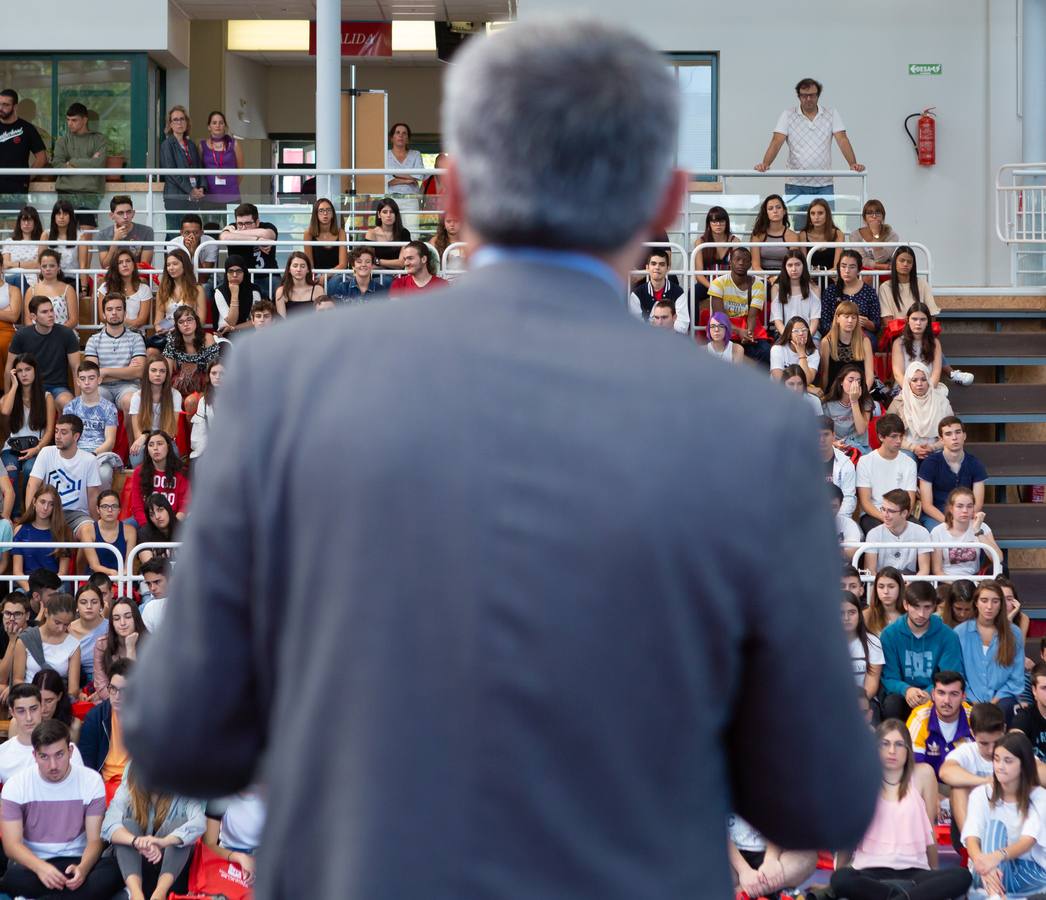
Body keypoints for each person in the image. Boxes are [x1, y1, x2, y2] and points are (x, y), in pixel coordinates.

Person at [124, 21, 880, 900]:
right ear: (669, 202)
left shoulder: (283, 381)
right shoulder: (757, 428)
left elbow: (180, 736)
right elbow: (825, 794)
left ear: (448, 194)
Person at [830, 719, 971, 900]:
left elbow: (929, 831)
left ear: (908, 750)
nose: (891, 751)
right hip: (869, 871)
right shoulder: (861, 779)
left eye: (898, 745)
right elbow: (850, 835)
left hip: (915, 872)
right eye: (885, 744)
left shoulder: (923, 774)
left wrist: (934, 873)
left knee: (962, 876)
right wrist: (837, 874)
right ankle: (903, 898)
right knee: (841, 879)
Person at [0, 718, 121, 898]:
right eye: (44, 757)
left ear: (70, 751)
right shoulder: (16, 785)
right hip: (34, 864)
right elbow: (11, 845)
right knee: (13, 877)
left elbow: (95, 840)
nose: (53, 765)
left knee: (113, 871)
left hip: (77, 860)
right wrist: (41, 869)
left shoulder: (91, 780)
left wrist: (83, 869)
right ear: (34, 755)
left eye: (59, 754)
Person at [102, 764, 206, 900]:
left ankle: (159, 894)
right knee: (127, 825)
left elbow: (200, 822)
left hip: (169, 867)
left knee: (179, 826)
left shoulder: (182, 787)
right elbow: (108, 824)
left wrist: (164, 842)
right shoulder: (130, 784)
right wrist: (136, 841)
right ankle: (136, 894)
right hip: (135, 862)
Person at [962, 731, 1046, 897]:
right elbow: (971, 836)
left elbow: (1027, 841)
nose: (999, 766)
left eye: (1008, 761)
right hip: (986, 872)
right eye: (997, 759)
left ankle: (995, 895)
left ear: (1024, 765)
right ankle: (995, 894)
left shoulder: (1040, 796)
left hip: (1030, 873)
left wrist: (997, 856)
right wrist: (983, 863)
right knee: (995, 827)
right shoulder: (980, 794)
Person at [754, 77, 864, 202]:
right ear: (799, 96)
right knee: (798, 222)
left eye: (812, 95)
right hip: (795, 183)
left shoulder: (831, 113)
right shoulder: (788, 114)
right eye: (804, 96)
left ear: (818, 96)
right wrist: (765, 164)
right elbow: (776, 142)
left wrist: (852, 164)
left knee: (825, 222)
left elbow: (842, 140)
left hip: (824, 183)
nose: (808, 99)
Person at [880, 582, 963, 722]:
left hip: (937, 693)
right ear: (906, 605)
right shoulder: (889, 634)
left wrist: (931, 692)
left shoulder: (948, 636)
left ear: (934, 607)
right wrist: (906, 690)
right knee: (892, 703)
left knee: (949, 700)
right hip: (902, 695)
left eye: (927, 607)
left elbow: (951, 675)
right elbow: (889, 677)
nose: (921, 614)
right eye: (916, 607)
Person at [953, 582, 1023, 724]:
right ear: (976, 603)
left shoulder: (1014, 633)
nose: (989, 607)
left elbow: (1016, 677)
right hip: (967, 698)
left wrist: (995, 701)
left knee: (1001, 712)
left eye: (995, 601)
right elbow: (957, 673)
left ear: (1001, 604)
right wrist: (973, 700)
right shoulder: (960, 633)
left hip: (1003, 699)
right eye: (984, 600)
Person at [24, 414, 102, 536]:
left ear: (76, 436)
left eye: (63, 432)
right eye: (56, 431)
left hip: (77, 514)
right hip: (49, 510)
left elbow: (93, 496)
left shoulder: (89, 460)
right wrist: (30, 515)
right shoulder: (46, 452)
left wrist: (97, 526)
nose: (58, 436)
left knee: (89, 531)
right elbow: (32, 485)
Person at [939, 701, 1007, 834]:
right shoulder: (967, 751)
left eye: (997, 742)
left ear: (1004, 729)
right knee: (959, 787)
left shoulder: (1014, 750)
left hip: (1007, 818)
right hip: (973, 822)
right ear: (972, 733)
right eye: (984, 743)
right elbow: (945, 772)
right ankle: (971, 843)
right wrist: (986, 781)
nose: (991, 750)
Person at [1, 353, 55, 515]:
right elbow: (4, 410)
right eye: (19, 371)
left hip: (35, 447)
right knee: (10, 470)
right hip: (10, 448)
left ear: (35, 371)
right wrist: (14, 386)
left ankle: (28, 512)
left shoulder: (46, 397)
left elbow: (50, 431)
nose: (24, 374)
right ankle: (15, 515)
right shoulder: (9, 397)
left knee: (31, 469)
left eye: (27, 369)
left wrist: (37, 449)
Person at [6, 295, 80, 411]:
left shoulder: (66, 334)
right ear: (33, 316)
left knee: (69, 405)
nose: (50, 315)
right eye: (44, 312)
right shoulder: (22, 335)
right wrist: (7, 395)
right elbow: (9, 368)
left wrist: (79, 400)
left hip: (58, 387)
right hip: (30, 386)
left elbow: (76, 368)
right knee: (5, 405)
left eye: (51, 310)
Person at [0, 683, 85, 780]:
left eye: (33, 709)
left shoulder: (68, 750)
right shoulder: (2, 753)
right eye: (21, 711)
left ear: (41, 707)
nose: (29, 718)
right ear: (12, 712)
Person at [83, 292, 147, 418]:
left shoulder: (136, 338)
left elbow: (139, 372)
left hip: (128, 387)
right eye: (109, 309)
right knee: (95, 399)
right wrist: (127, 372)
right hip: (101, 388)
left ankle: (132, 439)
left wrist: (105, 371)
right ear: (103, 314)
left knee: (131, 401)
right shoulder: (93, 340)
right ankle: (100, 439)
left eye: (118, 309)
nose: (114, 313)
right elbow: (92, 376)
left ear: (125, 313)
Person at [918, 417, 987, 529]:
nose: (954, 438)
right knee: (942, 535)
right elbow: (927, 505)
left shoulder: (975, 463)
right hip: (936, 516)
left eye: (958, 432)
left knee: (980, 533)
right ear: (941, 439)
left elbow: (978, 503)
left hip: (965, 514)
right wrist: (949, 522)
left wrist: (962, 519)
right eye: (948, 434)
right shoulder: (930, 463)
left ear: (964, 436)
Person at [707, 246, 770, 364]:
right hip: (725, 330)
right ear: (730, 262)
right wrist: (738, 331)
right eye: (737, 259)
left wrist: (748, 333)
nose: (741, 263)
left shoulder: (758, 284)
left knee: (766, 351)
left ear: (750, 264)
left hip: (746, 329)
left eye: (745, 260)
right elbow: (719, 316)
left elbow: (752, 316)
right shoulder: (718, 283)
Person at [855, 414, 918, 534]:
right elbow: (866, 502)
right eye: (894, 436)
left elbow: (910, 500)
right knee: (879, 535)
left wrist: (897, 518)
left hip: (901, 514)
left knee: (920, 534)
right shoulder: (865, 461)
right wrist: (885, 518)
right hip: (874, 515)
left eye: (901, 436)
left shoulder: (909, 463)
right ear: (881, 437)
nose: (899, 441)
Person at [727, 814, 816, 898]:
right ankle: (766, 889)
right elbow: (717, 830)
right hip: (733, 858)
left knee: (807, 858)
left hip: (772, 852)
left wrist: (771, 859)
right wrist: (743, 870)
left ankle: (740, 892)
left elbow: (778, 818)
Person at [63, 361, 121, 490]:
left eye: (91, 378)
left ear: (99, 380)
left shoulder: (109, 408)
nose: (87, 382)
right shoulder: (70, 408)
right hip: (75, 454)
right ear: (77, 381)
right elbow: (66, 438)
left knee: (104, 474)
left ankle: (101, 508)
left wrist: (92, 455)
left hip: (99, 455)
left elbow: (110, 441)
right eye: (82, 379)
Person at [78, 658, 132, 794]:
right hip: (104, 785)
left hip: (136, 785)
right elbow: (87, 764)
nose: (117, 696)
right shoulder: (96, 717)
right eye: (113, 689)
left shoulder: (147, 717)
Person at [12, 591, 81, 696]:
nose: (61, 628)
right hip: (28, 699)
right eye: (57, 622)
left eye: (66, 624)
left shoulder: (73, 644)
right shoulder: (25, 639)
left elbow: (73, 689)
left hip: (57, 701)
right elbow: (17, 680)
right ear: (46, 613)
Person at [906, 670, 973, 777]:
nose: (946, 700)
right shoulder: (919, 717)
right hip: (929, 786)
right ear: (932, 694)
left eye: (954, 694)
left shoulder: (974, 718)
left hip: (965, 785)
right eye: (941, 693)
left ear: (963, 697)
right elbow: (913, 768)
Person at [51, 101, 107, 228]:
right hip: (66, 192)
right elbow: (57, 165)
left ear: (85, 120)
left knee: (86, 233)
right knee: (64, 232)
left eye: (74, 120)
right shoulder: (62, 141)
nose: (70, 123)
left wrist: (72, 162)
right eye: (68, 120)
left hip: (90, 193)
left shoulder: (99, 139)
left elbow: (98, 163)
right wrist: (89, 162)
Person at [930, 487, 1003, 581]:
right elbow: (937, 571)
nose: (965, 510)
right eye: (959, 506)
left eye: (969, 506)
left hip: (974, 578)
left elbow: (998, 559)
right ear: (951, 509)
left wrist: (977, 531)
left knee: (1002, 569)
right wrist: (956, 585)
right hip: (947, 580)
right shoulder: (938, 531)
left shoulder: (981, 526)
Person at [888, 362, 954, 461]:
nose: (919, 384)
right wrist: (913, 447)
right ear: (908, 382)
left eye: (923, 379)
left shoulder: (941, 401)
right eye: (914, 380)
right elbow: (887, 432)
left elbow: (951, 430)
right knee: (906, 460)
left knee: (935, 461)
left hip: (935, 447)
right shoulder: (899, 402)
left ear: (929, 381)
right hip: (906, 447)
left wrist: (933, 447)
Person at [202, 789, 265, 889]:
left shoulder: (272, 794)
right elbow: (209, 844)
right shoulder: (219, 796)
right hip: (227, 854)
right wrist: (240, 857)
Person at [162, 304, 219, 411]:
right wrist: (166, 392)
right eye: (181, 322)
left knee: (191, 402)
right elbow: (167, 371)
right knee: (168, 399)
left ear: (196, 322)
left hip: (203, 385)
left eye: (189, 319)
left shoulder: (207, 339)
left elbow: (213, 370)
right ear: (177, 326)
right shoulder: (172, 340)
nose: (186, 324)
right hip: (180, 384)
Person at [127, 432, 190, 528]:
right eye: (151, 445)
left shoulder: (181, 472)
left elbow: (184, 505)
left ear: (168, 446)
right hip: (148, 521)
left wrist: (173, 526)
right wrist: (148, 527)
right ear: (147, 450)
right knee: (125, 527)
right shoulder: (139, 472)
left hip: (174, 521)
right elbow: (137, 506)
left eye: (160, 444)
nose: (155, 448)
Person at [158, 105, 204, 235]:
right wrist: (190, 190)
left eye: (182, 119)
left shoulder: (190, 144)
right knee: (174, 234)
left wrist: (201, 188)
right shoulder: (167, 145)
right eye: (175, 120)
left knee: (191, 234)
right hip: (175, 197)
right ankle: (171, 256)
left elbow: (199, 168)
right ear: (170, 124)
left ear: (187, 122)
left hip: (192, 198)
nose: (179, 123)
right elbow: (171, 173)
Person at [863, 488, 932, 575]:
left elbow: (924, 570)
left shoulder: (922, 532)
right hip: (883, 582)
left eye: (890, 511)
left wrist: (911, 583)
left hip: (910, 581)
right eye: (883, 509)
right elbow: (870, 571)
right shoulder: (873, 534)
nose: (885, 515)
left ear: (904, 513)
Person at [12, 488, 70, 590]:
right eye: (42, 502)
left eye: (51, 504)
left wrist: (48, 592)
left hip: (55, 586)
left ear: (55, 507)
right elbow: (17, 572)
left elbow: (63, 572)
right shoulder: (20, 530)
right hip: (27, 586)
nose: (45, 507)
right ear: (34, 502)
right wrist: (32, 592)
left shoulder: (63, 532)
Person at [127, 358, 181, 466]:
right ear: (147, 373)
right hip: (144, 441)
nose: (158, 374)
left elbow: (170, 430)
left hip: (165, 440)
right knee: (137, 458)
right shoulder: (137, 397)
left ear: (167, 374)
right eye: (153, 370)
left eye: (162, 371)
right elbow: (138, 433)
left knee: (173, 456)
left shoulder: (175, 395)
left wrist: (152, 439)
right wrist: (145, 438)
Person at [0, 89, 46, 207]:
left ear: (15, 107)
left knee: (15, 223)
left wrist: (26, 177)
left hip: (17, 188)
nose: (1, 108)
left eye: (5, 105)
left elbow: (41, 158)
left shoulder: (27, 128)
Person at [93, 599, 146, 703]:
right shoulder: (102, 644)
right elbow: (101, 685)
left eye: (128, 617)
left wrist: (131, 649)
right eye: (116, 619)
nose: (122, 623)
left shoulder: (150, 644)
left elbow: (139, 684)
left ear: (136, 618)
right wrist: (117, 701)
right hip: (112, 701)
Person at [821, 249, 881, 338]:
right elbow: (825, 324)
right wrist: (843, 324)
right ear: (839, 268)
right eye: (843, 266)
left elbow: (876, 324)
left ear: (859, 269)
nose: (847, 271)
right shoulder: (831, 291)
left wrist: (867, 323)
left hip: (862, 333)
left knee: (869, 341)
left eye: (852, 267)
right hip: (836, 333)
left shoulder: (869, 292)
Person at [76, 488, 135, 578]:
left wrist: (121, 576)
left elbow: (128, 565)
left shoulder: (130, 531)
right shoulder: (87, 530)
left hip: (121, 579)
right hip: (96, 580)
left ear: (119, 509)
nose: (110, 510)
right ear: (98, 509)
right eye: (105, 506)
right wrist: (113, 573)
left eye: (114, 506)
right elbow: (94, 565)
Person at [628, 247, 688, 333]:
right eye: (653, 263)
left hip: (671, 340)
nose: (657, 267)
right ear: (647, 268)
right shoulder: (637, 294)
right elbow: (636, 325)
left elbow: (683, 325)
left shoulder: (678, 292)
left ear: (668, 268)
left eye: (662, 264)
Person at [818, 300, 875, 391]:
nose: (850, 321)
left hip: (859, 391)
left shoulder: (864, 341)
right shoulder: (827, 342)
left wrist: (863, 393)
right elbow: (824, 375)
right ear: (837, 318)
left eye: (853, 317)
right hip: (835, 393)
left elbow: (870, 375)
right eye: (846, 317)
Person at [218, 203, 279, 287]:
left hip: (267, 277)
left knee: (281, 288)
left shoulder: (267, 226)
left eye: (248, 223)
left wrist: (236, 233)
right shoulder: (232, 227)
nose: (243, 227)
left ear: (257, 222)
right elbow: (224, 238)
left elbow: (266, 234)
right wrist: (256, 240)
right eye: (240, 224)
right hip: (238, 278)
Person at [879, 245, 940, 324]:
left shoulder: (922, 284)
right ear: (895, 263)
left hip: (920, 330)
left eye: (909, 261)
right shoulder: (886, 287)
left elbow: (932, 314)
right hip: (896, 333)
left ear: (913, 265)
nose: (905, 264)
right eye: (902, 260)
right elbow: (887, 321)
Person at [96, 250, 153, 333]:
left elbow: (141, 321)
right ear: (115, 266)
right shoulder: (105, 287)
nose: (125, 265)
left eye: (128, 261)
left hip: (135, 333)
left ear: (134, 264)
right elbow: (102, 317)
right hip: (109, 332)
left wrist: (119, 322)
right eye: (120, 262)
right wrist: (124, 324)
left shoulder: (144, 289)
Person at [691, 206, 738, 304]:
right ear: (709, 224)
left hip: (729, 285)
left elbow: (738, 269)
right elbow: (698, 274)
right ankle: (693, 320)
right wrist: (713, 288)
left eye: (721, 221)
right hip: (707, 285)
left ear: (726, 223)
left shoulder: (735, 241)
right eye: (714, 221)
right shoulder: (700, 242)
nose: (718, 224)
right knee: (692, 293)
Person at [154, 248, 206, 335]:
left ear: (184, 265)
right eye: (168, 265)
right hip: (168, 333)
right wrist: (160, 329)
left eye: (175, 264)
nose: (171, 268)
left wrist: (180, 329)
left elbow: (201, 320)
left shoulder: (197, 289)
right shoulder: (162, 289)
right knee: (151, 349)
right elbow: (157, 321)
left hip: (190, 333)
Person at [822, 363, 873, 453]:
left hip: (859, 446)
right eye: (850, 380)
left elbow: (861, 430)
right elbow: (824, 432)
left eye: (858, 381)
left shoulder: (865, 401)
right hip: (837, 446)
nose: (855, 384)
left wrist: (854, 401)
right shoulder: (828, 405)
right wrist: (833, 443)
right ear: (841, 382)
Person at [890, 303, 943, 388]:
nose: (918, 323)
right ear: (907, 320)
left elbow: (936, 373)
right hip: (903, 388)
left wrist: (928, 391)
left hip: (929, 388)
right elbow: (898, 374)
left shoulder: (935, 343)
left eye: (923, 319)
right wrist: (912, 392)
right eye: (914, 319)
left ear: (928, 322)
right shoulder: (898, 343)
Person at [769, 249, 820, 338]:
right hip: (784, 334)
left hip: (809, 335)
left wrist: (806, 339)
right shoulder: (777, 288)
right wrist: (789, 337)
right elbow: (777, 320)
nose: (794, 269)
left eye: (797, 264)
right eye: (790, 265)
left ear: (803, 266)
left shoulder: (814, 289)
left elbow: (815, 320)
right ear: (785, 267)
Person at [23, 249, 77, 331]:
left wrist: (55, 334)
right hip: (37, 337)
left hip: (62, 335)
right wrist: (39, 334)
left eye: (52, 266)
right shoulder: (31, 290)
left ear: (58, 267)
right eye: (44, 266)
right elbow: (28, 319)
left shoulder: (68, 289)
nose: (48, 269)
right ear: (40, 268)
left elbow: (73, 320)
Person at [843, 591, 884, 701]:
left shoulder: (873, 641)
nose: (846, 618)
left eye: (852, 612)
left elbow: (872, 683)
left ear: (860, 615)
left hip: (865, 701)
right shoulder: (825, 643)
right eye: (841, 613)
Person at [96, 195, 155, 269]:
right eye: (120, 213)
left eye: (128, 212)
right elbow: (105, 266)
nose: (125, 217)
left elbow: (144, 266)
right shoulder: (102, 234)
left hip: (137, 277)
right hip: (114, 278)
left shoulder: (147, 231)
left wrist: (121, 268)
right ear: (112, 216)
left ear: (133, 213)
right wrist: (115, 241)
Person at [68, 584, 108, 692]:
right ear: (76, 606)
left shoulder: (111, 628)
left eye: (94, 602)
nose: (89, 606)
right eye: (83, 602)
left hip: (106, 680)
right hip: (74, 681)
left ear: (101, 605)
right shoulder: (67, 629)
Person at [199, 111, 243, 208]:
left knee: (232, 224)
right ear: (209, 127)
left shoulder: (234, 144)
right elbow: (200, 170)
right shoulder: (202, 145)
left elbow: (241, 171)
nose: (217, 125)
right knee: (210, 224)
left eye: (221, 123)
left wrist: (231, 185)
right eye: (214, 123)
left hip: (231, 196)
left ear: (225, 126)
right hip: (209, 196)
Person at [749, 194, 797, 279]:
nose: (775, 211)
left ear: (784, 211)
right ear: (766, 213)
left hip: (786, 277)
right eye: (770, 208)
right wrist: (769, 279)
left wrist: (779, 280)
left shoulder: (792, 236)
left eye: (778, 207)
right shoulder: (758, 235)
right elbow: (755, 266)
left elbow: (794, 265)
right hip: (762, 277)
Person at [47, 199, 89, 295]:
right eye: (58, 214)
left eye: (65, 214)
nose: (61, 217)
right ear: (54, 217)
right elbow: (39, 263)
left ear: (71, 216)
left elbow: (83, 266)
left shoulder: (80, 236)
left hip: (73, 281)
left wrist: (84, 288)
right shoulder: (46, 235)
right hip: (51, 280)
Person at [212, 254, 262, 334]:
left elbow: (256, 321)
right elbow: (231, 322)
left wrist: (234, 328)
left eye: (238, 271)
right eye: (231, 271)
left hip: (247, 332)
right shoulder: (219, 292)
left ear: (244, 272)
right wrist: (234, 294)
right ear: (226, 274)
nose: (235, 275)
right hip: (224, 334)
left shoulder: (254, 291)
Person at [849, 199, 901, 272]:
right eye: (870, 213)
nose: (874, 216)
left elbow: (881, 259)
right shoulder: (855, 235)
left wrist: (876, 234)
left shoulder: (892, 235)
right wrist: (881, 266)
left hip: (886, 272)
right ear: (864, 218)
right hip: (865, 271)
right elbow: (861, 260)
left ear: (883, 217)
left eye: (878, 213)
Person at [302, 198, 347, 281]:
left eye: (328, 210)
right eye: (321, 210)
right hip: (317, 275)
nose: (325, 213)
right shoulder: (308, 234)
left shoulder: (341, 233)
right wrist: (316, 278)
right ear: (316, 214)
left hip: (337, 275)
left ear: (333, 214)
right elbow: (310, 264)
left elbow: (343, 264)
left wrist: (326, 276)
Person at [167, 213, 219, 284]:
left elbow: (203, 278)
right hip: (181, 280)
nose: (191, 236)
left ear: (201, 233)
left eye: (195, 232)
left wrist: (195, 252)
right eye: (187, 232)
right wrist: (188, 252)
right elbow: (176, 274)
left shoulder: (211, 243)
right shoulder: (173, 244)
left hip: (205, 281)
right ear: (181, 233)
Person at [385, 122, 424, 214]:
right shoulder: (385, 155)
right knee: (392, 228)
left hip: (411, 200)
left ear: (408, 139)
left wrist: (395, 175)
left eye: (404, 133)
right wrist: (408, 180)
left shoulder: (416, 154)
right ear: (392, 138)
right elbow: (387, 180)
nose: (401, 135)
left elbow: (419, 176)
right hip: (391, 200)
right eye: (397, 132)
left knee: (411, 228)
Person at [798, 197, 845, 273]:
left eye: (820, 213)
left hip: (831, 277)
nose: (816, 217)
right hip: (810, 278)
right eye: (812, 213)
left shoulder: (838, 234)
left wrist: (823, 274)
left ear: (827, 215)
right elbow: (804, 264)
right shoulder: (803, 235)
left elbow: (837, 267)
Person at [190, 356, 224, 461]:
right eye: (214, 373)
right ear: (209, 376)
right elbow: (199, 434)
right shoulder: (203, 401)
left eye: (222, 374)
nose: (217, 377)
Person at [3, 204, 43, 290]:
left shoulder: (40, 242)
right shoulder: (9, 241)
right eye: (23, 220)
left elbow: (38, 264)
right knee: (18, 278)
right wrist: (28, 265)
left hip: (32, 283)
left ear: (35, 222)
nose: (26, 223)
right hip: (11, 280)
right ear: (19, 222)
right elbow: (5, 264)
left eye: (30, 220)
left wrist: (15, 264)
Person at [364, 197, 411, 270]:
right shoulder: (371, 233)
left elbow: (402, 263)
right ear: (379, 215)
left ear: (396, 215)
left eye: (392, 212)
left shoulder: (404, 233)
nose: (388, 215)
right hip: (377, 275)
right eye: (385, 212)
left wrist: (378, 261)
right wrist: (392, 265)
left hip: (398, 276)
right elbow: (368, 262)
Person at [769, 316, 819, 383]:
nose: (801, 333)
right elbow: (779, 380)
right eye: (796, 331)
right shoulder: (777, 349)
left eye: (804, 330)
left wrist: (802, 354)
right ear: (789, 334)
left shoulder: (814, 352)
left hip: (800, 391)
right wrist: (809, 389)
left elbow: (807, 381)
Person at [274, 251, 320, 316]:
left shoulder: (317, 290)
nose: (298, 269)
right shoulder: (281, 291)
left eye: (303, 266)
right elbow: (282, 321)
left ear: (308, 270)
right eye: (295, 266)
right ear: (289, 269)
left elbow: (321, 317)